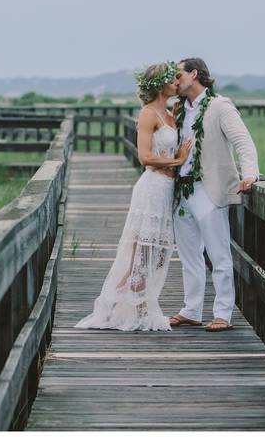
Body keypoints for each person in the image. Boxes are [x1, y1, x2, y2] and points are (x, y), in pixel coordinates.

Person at [75, 61, 192, 331]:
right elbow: (145, 157)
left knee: (152, 253)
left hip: (166, 191)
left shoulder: (169, 113)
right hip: (151, 189)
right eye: (172, 79)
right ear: (160, 85)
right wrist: (178, 161)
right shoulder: (148, 114)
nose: (177, 82)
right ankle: (129, 309)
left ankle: (127, 305)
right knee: (139, 253)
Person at [168, 57, 259, 333]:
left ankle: (223, 313)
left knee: (218, 254)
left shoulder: (220, 106)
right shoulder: (179, 108)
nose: (174, 81)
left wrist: (250, 173)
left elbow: (242, 141)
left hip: (209, 189)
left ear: (194, 74)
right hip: (182, 190)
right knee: (188, 255)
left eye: (178, 75)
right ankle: (191, 310)